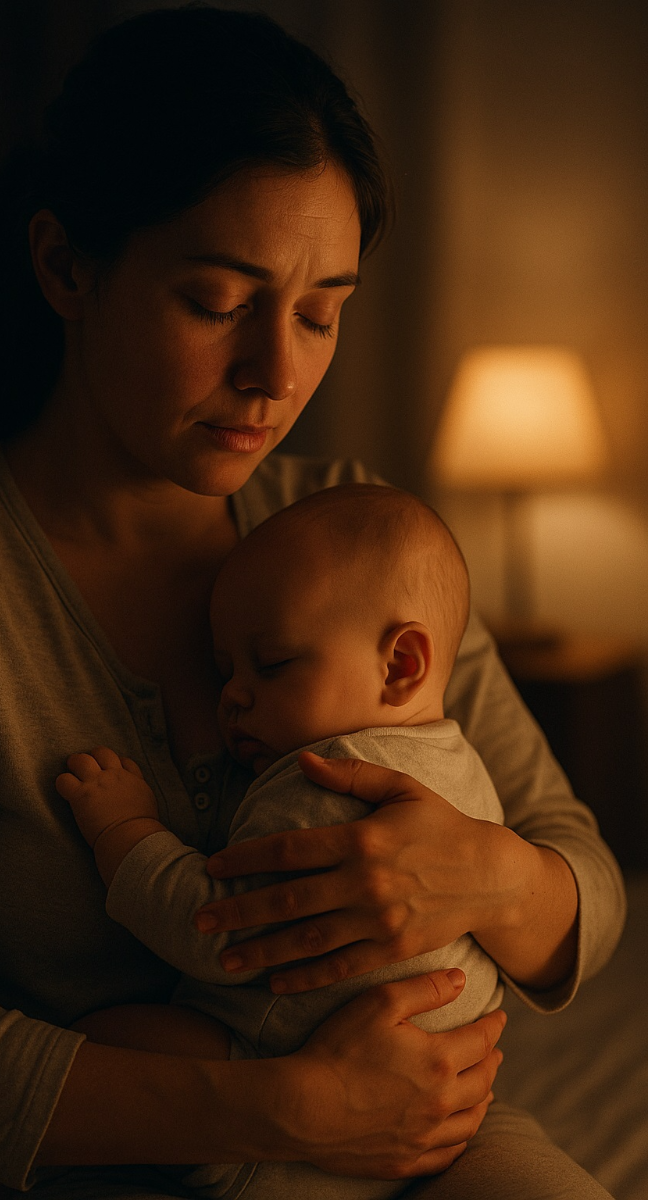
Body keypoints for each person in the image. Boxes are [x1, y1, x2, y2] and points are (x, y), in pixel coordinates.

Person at [0, 7, 623, 1199]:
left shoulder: (355, 532)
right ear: (66, 267)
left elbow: (581, 875)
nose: (278, 373)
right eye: (219, 302)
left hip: (422, 1148)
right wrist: (298, 1107)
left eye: (321, 312)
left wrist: (487, 879)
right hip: (109, 1164)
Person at [57, 482, 509, 1200]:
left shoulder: (321, 788)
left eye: (269, 665)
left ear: (401, 665)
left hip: (285, 1108)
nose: (232, 695)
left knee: (97, 1042)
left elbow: (217, 935)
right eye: (225, 669)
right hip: (428, 1122)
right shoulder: (466, 774)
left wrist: (125, 829)